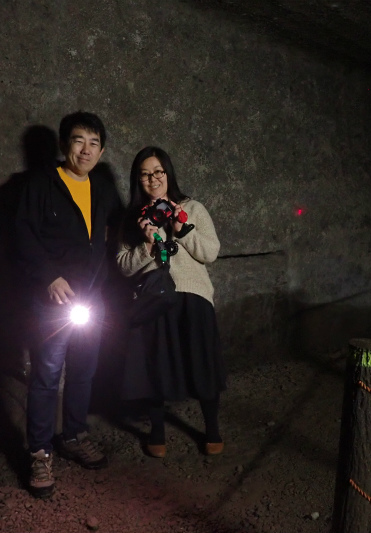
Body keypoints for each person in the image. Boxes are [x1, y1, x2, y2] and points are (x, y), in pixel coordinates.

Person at [15, 111, 121, 498]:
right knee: (46, 375)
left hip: (93, 297)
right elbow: (22, 234)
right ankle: (40, 452)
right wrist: (48, 276)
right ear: (64, 145)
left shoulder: (103, 188)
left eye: (94, 143)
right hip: (54, 301)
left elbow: (119, 227)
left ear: (102, 151)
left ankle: (74, 435)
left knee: (83, 371)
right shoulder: (41, 184)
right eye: (79, 141)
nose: (86, 150)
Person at [116, 146, 226, 458]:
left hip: (192, 295)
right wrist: (148, 245)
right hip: (153, 297)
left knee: (202, 362)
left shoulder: (192, 208)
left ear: (168, 173)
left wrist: (182, 229)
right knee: (154, 363)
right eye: (145, 174)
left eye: (158, 172)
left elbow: (210, 252)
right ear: (137, 180)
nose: (152, 179)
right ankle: (157, 431)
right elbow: (123, 266)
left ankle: (212, 428)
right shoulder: (132, 218)